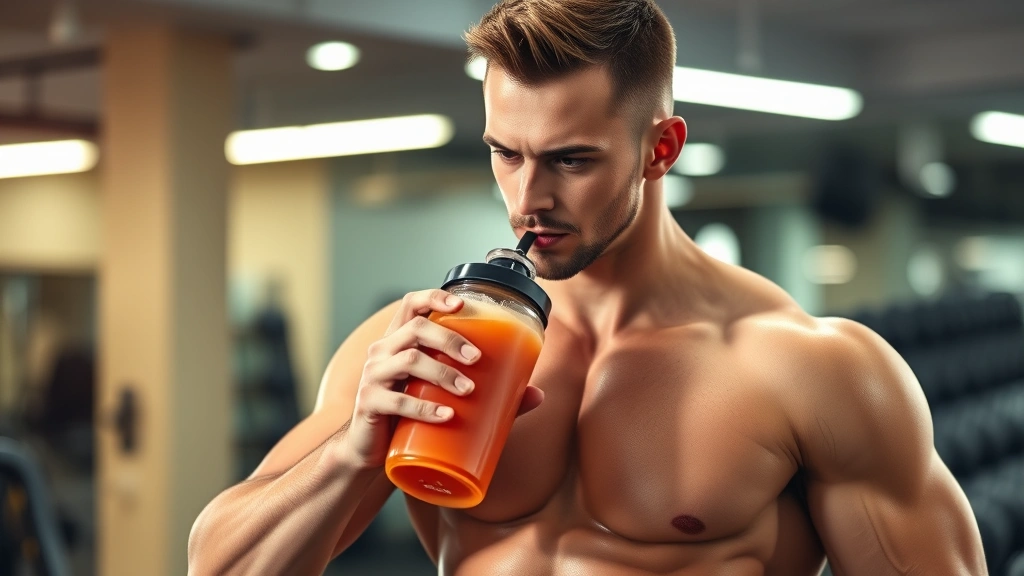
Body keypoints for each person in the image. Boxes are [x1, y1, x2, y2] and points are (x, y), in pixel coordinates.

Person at [188, 1, 988, 574]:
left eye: (570, 160)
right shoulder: (424, 349)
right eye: (506, 153)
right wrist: (354, 455)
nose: (528, 197)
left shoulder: (811, 370)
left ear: (660, 148)